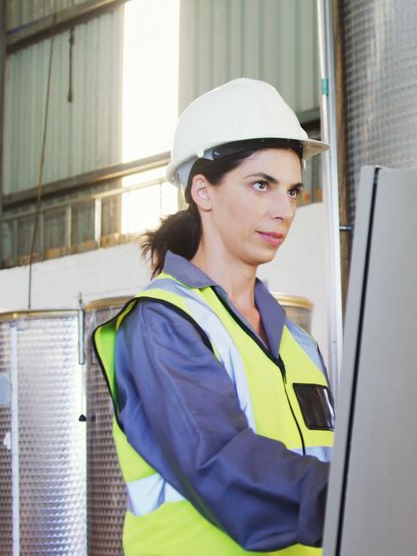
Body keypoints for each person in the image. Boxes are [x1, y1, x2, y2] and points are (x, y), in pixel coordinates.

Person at [93, 78, 334, 555]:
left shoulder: (299, 345)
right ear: (203, 191)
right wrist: (362, 496)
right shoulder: (161, 325)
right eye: (261, 185)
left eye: (292, 191)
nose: (283, 210)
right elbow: (220, 464)